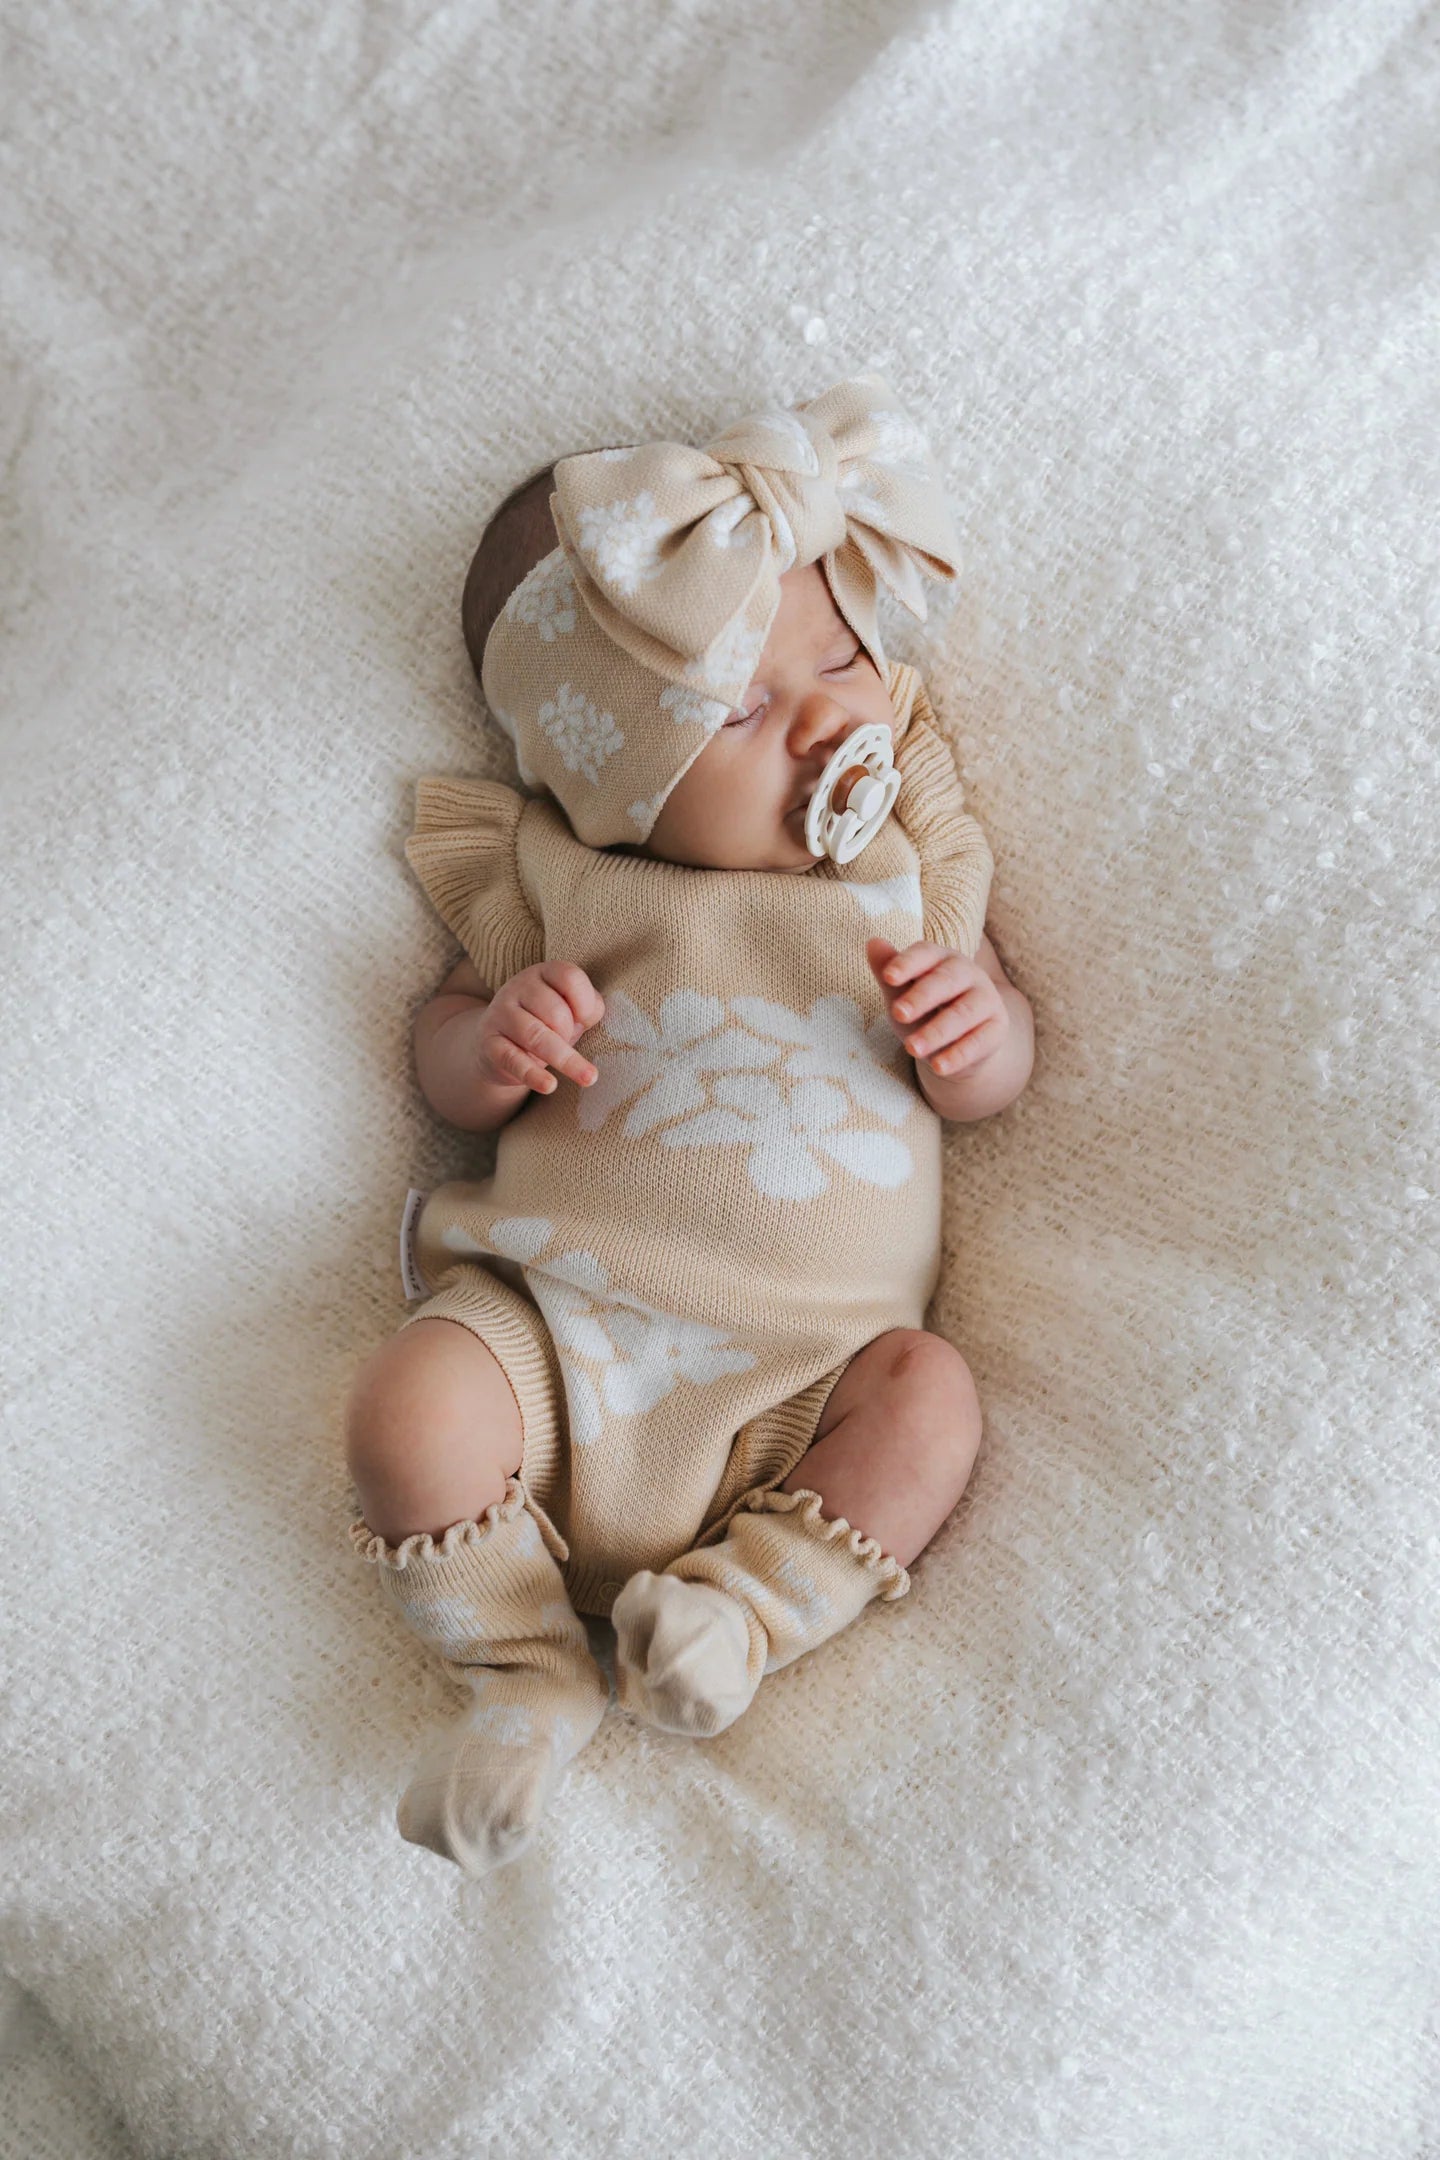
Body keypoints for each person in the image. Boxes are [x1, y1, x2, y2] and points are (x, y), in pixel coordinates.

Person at [345, 373, 1035, 1876]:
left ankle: (741, 1608)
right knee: (410, 1406)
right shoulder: (563, 878)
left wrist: (979, 1046)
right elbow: (440, 1057)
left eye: (840, 658)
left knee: (932, 1404)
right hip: (562, 1337)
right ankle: (518, 1669)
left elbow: (995, 1061)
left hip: (809, 1374)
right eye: (738, 709)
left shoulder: (908, 868)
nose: (820, 725)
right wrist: (490, 1044)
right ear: (598, 779)